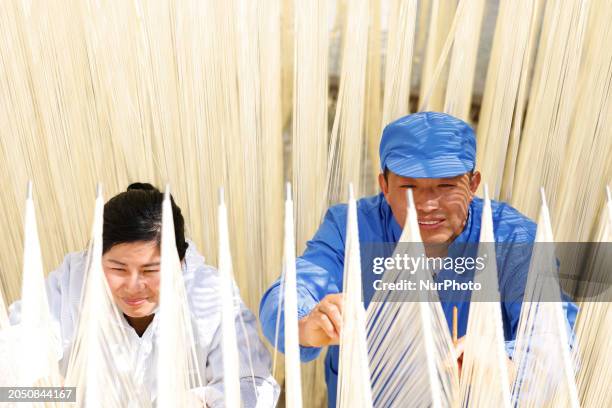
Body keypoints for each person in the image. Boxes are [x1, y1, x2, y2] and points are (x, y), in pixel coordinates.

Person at [259, 111, 578, 407]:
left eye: (446, 186)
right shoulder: (350, 227)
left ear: (474, 184)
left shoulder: (512, 238)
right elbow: (289, 292)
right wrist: (306, 323)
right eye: (409, 186)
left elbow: (554, 336)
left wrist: (502, 363)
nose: (427, 205)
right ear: (384, 185)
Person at [9, 182, 279, 407]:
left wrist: (199, 401)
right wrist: (58, 396)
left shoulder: (208, 295)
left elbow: (254, 385)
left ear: (181, 262)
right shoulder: (72, 284)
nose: (133, 286)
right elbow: (10, 371)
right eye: (117, 268)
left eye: (151, 270)